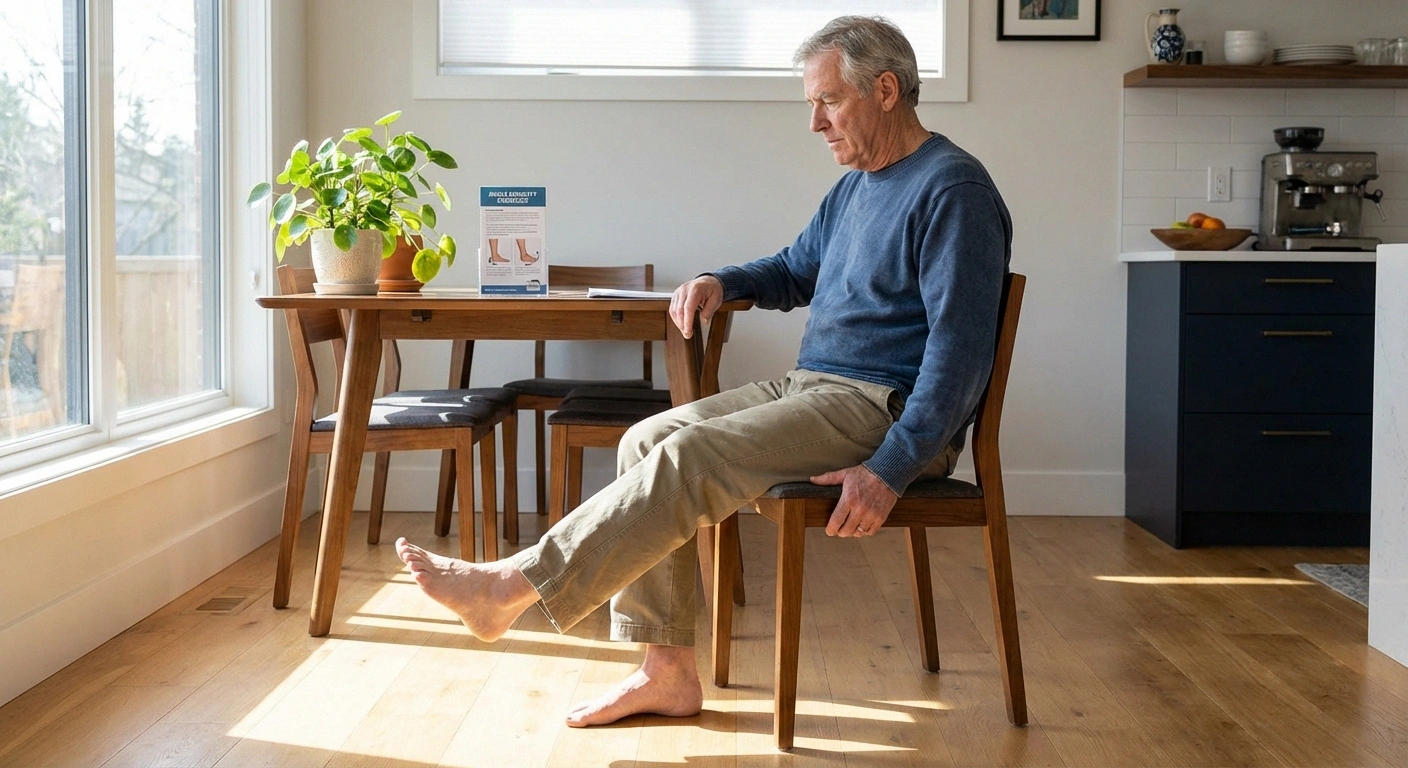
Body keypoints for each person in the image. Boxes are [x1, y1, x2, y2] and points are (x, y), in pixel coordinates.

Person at [396, 14, 1012, 728]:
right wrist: (720, 280)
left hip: (885, 411)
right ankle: (666, 673)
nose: (815, 123)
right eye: (810, 104)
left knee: (687, 455)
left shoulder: (953, 189)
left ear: (883, 90)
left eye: (828, 102)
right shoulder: (857, 188)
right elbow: (791, 268)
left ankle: (512, 585)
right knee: (643, 441)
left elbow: (962, 352)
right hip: (815, 389)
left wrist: (895, 466)